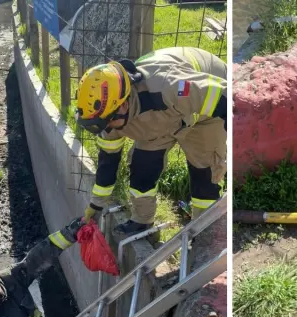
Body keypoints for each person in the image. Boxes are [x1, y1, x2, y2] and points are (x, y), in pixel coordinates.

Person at [75, 47, 227, 236]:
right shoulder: (108, 115)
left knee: (204, 176)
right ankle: (142, 222)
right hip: (163, 117)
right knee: (142, 168)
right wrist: (96, 204)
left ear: (123, 105)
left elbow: (225, 98)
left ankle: (205, 234)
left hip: (205, 112)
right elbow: (108, 160)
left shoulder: (168, 86)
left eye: (108, 122)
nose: (108, 129)